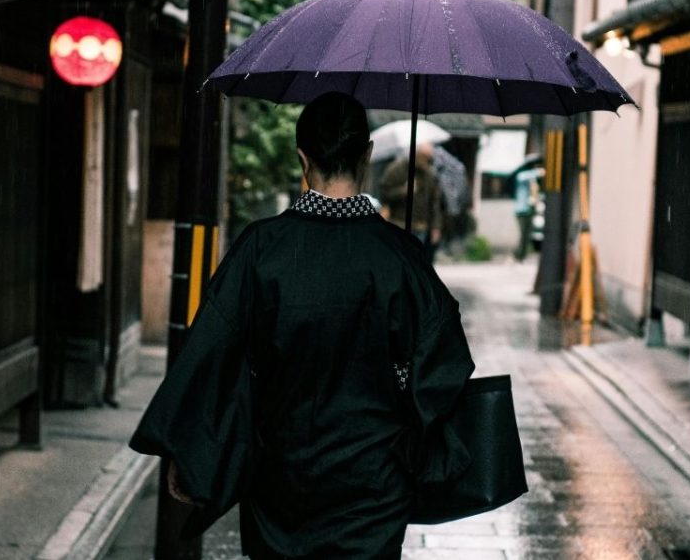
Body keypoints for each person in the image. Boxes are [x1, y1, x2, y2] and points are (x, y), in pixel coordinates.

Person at [130, 92, 474, 559]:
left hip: (282, 480)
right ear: (367, 155)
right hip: (373, 485)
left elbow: (212, 352)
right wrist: (397, 380)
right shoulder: (400, 256)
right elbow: (445, 363)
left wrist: (187, 453)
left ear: (301, 157)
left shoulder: (260, 248)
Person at [378, 142, 444, 262]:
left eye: (428, 158)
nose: (426, 161)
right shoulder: (396, 169)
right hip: (399, 224)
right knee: (398, 260)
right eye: (423, 157)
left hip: (421, 226)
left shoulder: (430, 175)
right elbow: (384, 194)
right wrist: (403, 191)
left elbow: (434, 203)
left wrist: (436, 226)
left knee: (415, 261)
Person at [513, 166, 543, 262]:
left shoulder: (533, 183)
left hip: (530, 210)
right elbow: (521, 177)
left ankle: (522, 256)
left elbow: (536, 196)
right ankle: (518, 255)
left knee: (527, 234)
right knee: (523, 234)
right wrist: (537, 172)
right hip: (521, 211)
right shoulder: (522, 179)